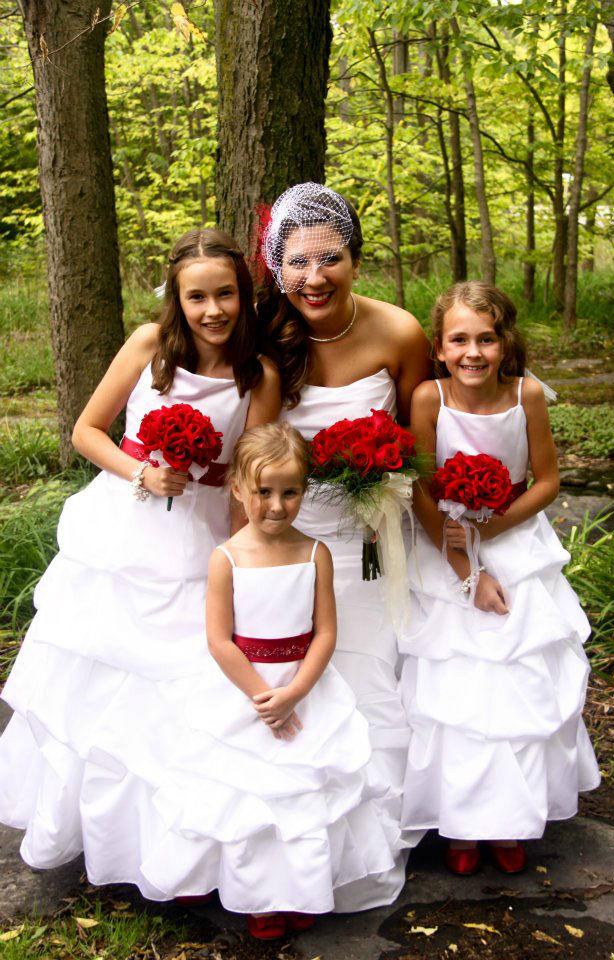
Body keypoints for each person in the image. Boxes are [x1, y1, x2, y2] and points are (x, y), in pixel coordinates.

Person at [0, 229, 280, 896]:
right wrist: (141, 474)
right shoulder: (150, 347)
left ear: (244, 295)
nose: (212, 310)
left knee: (188, 682)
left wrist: (243, 560)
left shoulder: (258, 375)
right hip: (126, 527)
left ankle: (173, 841)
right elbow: (86, 430)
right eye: (197, 297)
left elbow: (250, 471)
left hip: (202, 535)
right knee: (100, 682)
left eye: (225, 295)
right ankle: (88, 833)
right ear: (176, 300)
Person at [259, 182, 431, 907]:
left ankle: (380, 824)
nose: (315, 277)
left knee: (371, 675)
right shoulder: (267, 341)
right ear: (277, 268)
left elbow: (423, 440)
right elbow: (260, 449)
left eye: (330, 258)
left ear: (355, 259)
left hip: (374, 534)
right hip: (293, 535)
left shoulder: (399, 331)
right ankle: (297, 830)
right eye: (297, 262)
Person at [400, 281, 600, 875]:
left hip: (514, 540)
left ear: (504, 342)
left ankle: (510, 819)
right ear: (438, 348)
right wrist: (468, 570)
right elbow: (420, 488)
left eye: (486, 338)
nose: (473, 352)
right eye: (459, 339)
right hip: (447, 547)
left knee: (518, 684)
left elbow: (546, 480)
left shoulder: (527, 395)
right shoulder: (428, 399)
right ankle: (462, 825)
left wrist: (494, 528)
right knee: (458, 692)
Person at [192, 422, 399, 937]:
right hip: (248, 690)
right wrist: (266, 699)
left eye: (290, 492)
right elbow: (220, 641)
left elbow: (325, 632)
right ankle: (260, 894)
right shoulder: (226, 559)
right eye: (263, 492)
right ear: (238, 489)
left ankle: (306, 887)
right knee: (257, 796)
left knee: (309, 791)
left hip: (306, 686)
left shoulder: (314, 553)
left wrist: (297, 693)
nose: (277, 506)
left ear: (305, 490)